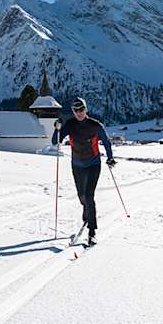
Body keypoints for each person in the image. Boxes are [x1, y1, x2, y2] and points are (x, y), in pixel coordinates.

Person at [52, 97, 115, 245]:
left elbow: (106, 142)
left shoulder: (95, 125)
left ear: (86, 109)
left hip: (93, 164)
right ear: (73, 111)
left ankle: (92, 231)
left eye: (81, 109)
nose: (79, 113)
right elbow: (56, 141)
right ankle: (86, 210)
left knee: (89, 195)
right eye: (76, 110)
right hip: (77, 165)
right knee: (82, 196)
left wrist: (110, 158)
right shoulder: (70, 125)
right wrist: (57, 128)